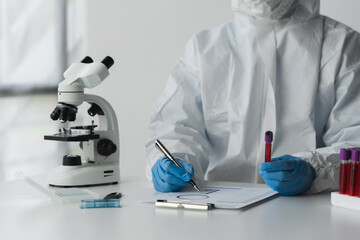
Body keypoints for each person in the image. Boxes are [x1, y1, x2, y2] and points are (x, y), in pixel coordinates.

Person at [145, 0, 360, 195]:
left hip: (312, 209)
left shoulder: (343, 45)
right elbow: (176, 125)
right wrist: (172, 159)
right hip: (222, 208)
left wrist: (315, 169)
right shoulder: (204, 48)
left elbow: (355, 138)